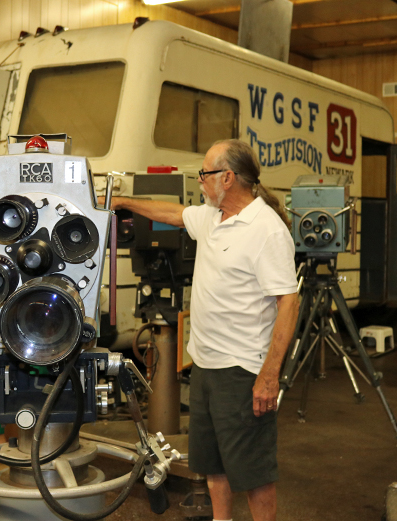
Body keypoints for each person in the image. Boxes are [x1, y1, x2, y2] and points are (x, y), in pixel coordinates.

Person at [108, 139, 299, 521]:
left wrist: (269, 376)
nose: (200, 182)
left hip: (243, 370)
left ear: (227, 178)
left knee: (254, 474)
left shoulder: (266, 230)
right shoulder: (214, 217)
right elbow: (174, 213)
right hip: (207, 366)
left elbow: (288, 304)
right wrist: (124, 203)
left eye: (205, 174)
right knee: (213, 466)